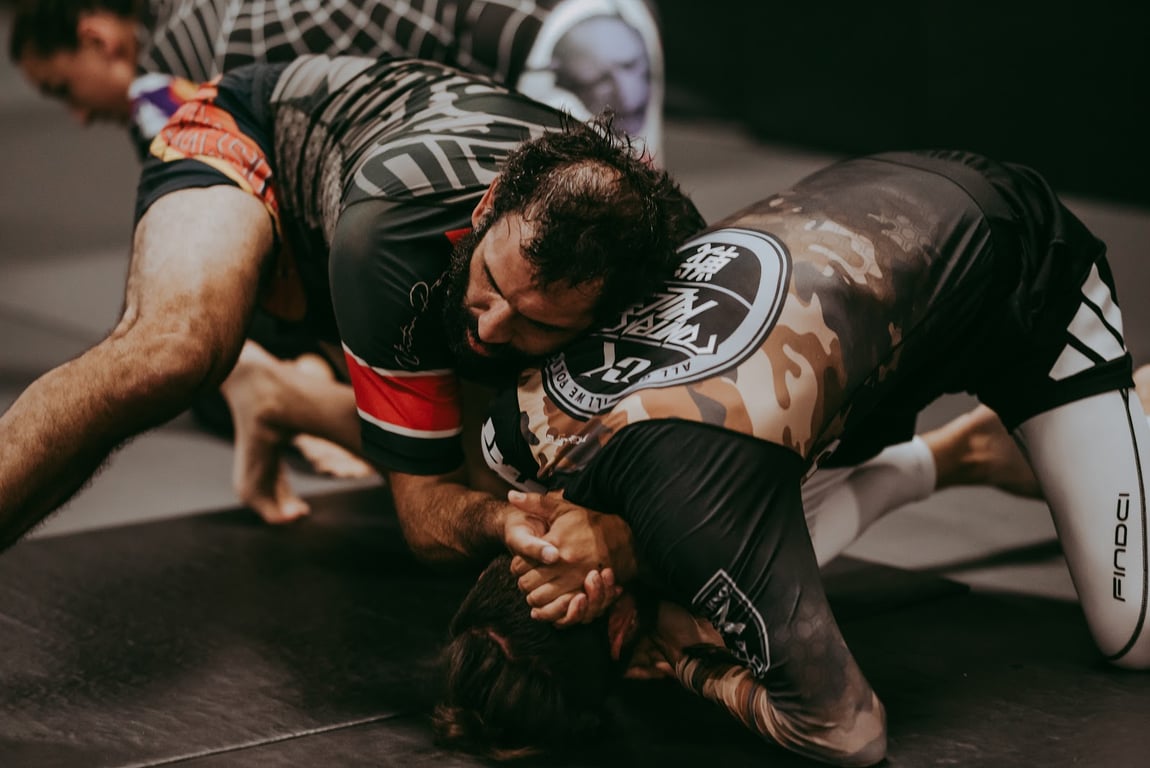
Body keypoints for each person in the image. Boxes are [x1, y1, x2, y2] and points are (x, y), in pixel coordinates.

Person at [437, 149, 1150, 764]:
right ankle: (951, 457)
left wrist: (686, 662)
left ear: (623, 631)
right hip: (871, 203)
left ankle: (1124, 398)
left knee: (1134, 641)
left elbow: (848, 732)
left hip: (1021, 269)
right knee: (727, 567)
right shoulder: (513, 437)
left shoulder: (693, 514)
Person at [0, 53, 703, 560]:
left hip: (366, 212)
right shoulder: (391, 237)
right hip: (252, 139)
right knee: (173, 351)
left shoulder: (665, 248)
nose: (492, 325)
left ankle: (281, 400)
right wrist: (499, 527)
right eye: (492, 281)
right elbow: (424, 515)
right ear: (490, 206)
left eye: (539, 321)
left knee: (513, 475)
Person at [9, 0, 666, 158]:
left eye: (63, 89)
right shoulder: (196, 17)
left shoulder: (167, 80)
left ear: (97, 39)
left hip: (567, 43)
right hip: (592, 22)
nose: (77, 115)